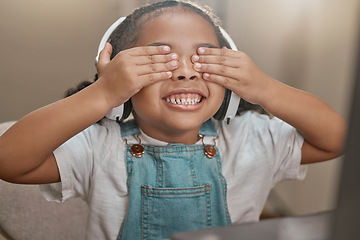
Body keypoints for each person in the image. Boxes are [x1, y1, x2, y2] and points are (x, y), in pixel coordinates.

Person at [0, 1, 346, 239]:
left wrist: (265, 88)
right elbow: (9, 160)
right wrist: (102, 94)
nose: (184, 72)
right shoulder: (98, 146)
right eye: (160, 60)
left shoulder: (251, 138)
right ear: (123, 80)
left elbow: (337, 138)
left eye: (204, 58)